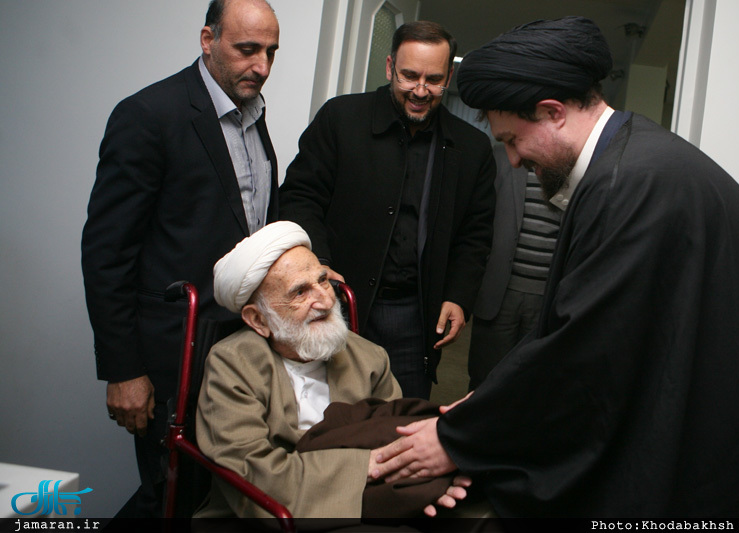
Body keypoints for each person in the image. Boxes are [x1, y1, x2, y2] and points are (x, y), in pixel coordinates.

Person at [370, 17, 739, 517]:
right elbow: (569, 326)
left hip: (737, 449)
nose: (513, 160)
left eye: (512, 140)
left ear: (552, 112)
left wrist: (457, 439)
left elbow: (584, 359)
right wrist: (486, 405)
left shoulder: (625, 185)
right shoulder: (629, 158)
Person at [81, 0, 280, 516]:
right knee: (167, 497)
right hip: (172, 354)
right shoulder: (148, 115)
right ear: (208, 40)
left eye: (270, 52)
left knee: (213, 497)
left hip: (237, 349)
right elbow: (106, 252)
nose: (261, 65)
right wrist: (123, 370)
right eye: (247, 49)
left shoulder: (253, 116)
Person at [279, 21, 496, 400]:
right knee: (326, 414)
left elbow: (474, 236)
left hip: (414, 316)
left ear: (449, 77)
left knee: (400, 419)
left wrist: (458, 296)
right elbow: (300, 197)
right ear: (389, 67)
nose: (420, 91)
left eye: (434, 80)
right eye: (409, 76)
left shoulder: (472, 148)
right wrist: (319, 264)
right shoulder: (340, 118)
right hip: (334, 302)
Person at [195, 221, 469, 518]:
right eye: (300, 292)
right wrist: (366, 466)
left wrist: (420, 485)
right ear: (258, 320)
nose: (326, 301)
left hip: (364, 502)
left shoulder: (369, 358)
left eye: (323, 280)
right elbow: (254, 475)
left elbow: (396, 442)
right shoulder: (232, 365)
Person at [468, 143, 560, 390]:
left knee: (530, 387)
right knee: (484, 383)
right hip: (497, 295)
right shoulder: (499, 156)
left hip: (547, 300)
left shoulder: (569, 162)